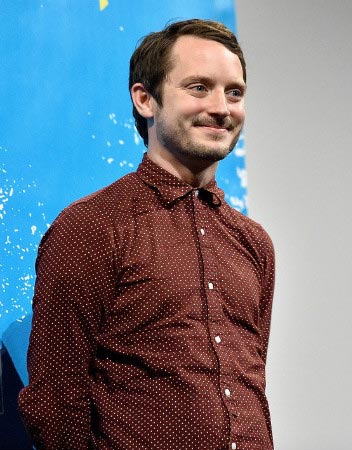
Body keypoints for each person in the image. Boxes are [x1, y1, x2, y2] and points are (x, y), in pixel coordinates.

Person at [18, 19, 275, 450]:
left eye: (235, 92)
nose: (221, 107)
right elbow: (54, 403)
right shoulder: (91, 227)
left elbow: (250, 381)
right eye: (198, 88)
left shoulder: (254, 242)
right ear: (145, 99)